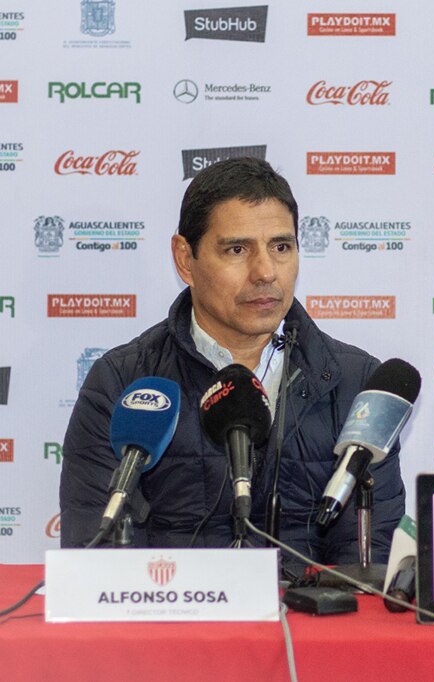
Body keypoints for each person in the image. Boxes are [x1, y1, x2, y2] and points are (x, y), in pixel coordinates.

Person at [59, 157, 405, 566]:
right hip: (175, 618)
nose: (265, 272)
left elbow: (369, 558)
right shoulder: (123, 382)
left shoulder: (357, 384)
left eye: (281, 247)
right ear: (186, 259)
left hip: (309, 624)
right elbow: (96, 554)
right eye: (237, 249)